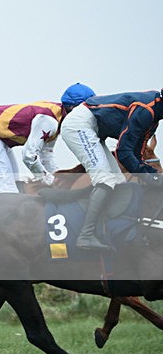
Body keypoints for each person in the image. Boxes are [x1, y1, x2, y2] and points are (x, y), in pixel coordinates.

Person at [60, 88, 163, 250]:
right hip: (79, 125)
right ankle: (85, 236)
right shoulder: (146, 111)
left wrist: (151, 175)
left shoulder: (154, 117)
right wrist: (151, 177)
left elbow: (136, 153)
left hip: (95, 130)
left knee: (119, 181)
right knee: (105, 180)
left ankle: (106, 231)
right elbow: (124, 152)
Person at [0, 83, 96, 194]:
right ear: (73, 108)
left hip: (0, 136)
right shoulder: (49, 121)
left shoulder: (59, 118)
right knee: (8, 190)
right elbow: (29, 156)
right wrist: (47, 180)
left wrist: (58, 178)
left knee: (17, 185)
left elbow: (46, 155)